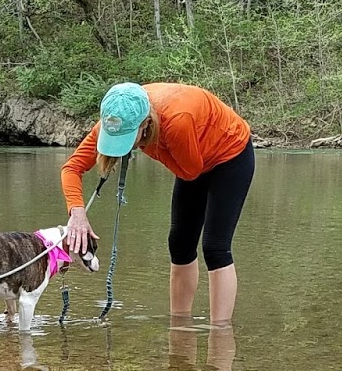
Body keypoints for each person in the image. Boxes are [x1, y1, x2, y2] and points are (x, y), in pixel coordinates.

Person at [60, 81, 255, 325]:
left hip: (229, 153)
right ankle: (180, 324)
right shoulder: (115, 117)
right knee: (179, 243)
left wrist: (149, 145)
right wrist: (77, 213)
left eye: (127, 138)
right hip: (190, 158)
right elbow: (72, 168)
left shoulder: (176, 122)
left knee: (215, 247)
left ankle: (220, 332)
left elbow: (191, 171)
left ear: (145, 125)